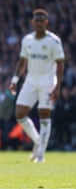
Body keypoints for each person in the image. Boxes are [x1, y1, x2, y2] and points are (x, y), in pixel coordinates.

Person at [9, 8, 65, 163]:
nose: (39, 23)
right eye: (36, 21)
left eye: (42, 21)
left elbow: (60, 65)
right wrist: (15, 81)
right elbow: (22, 61)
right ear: (32, 22)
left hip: (47, 82)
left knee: (44, 116)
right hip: (31, 81)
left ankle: (40, 154)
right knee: (20, 114)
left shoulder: (54, 41)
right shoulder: (27, 40)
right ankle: (38, 142)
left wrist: (58, 86)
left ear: (46, 23)